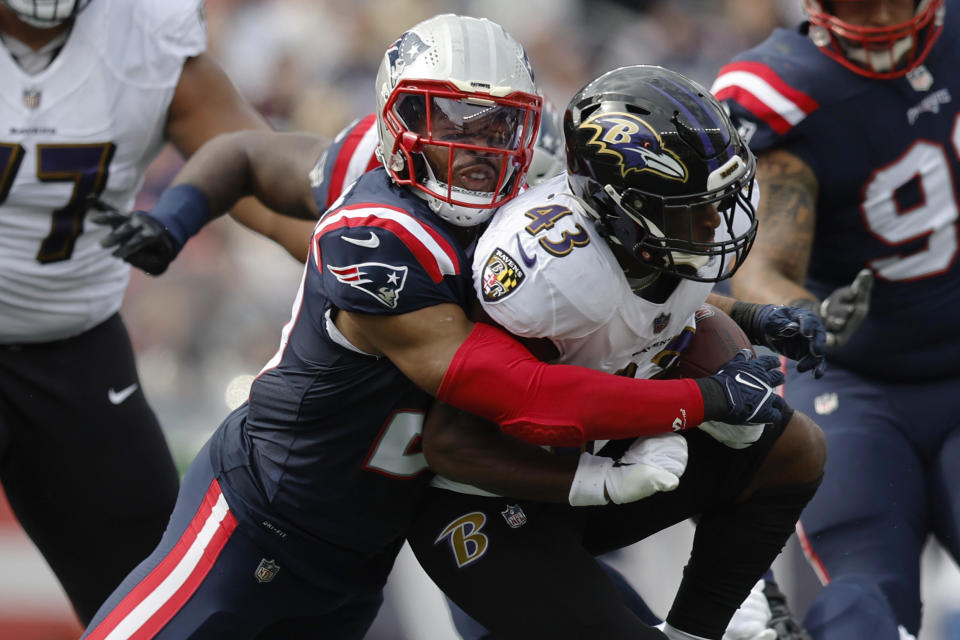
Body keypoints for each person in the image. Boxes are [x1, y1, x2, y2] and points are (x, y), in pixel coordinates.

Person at [81, 15, 795, 639]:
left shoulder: (546, 199)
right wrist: (170, 222)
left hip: (373, 542)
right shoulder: (378, 231)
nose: (478, 148)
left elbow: (637, 302)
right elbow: (503, 385)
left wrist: (751, 316)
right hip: (264, 510)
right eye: (449, 120)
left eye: (499, 124)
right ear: (397, 121)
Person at [404, 64, 828, 640]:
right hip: (489, 502)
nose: (712, 220)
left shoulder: (664, 236)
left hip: (601, 455)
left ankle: (698, 629)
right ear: (616, 207)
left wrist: (756, 319)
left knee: (791, 445)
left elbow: (655, 313)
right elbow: (453, 444)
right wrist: (611, 474)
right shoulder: (551, 273)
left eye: (716, 199)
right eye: (688, 205)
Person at [0, 0, 315, 625]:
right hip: (74, 342)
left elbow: (265, 184)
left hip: (73, 351)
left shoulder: (146, 36)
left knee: (161, 602)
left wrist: (389, 253)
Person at [711, 1, 956, 639]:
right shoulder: (785, 88)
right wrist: (807, 315)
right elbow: (761, 266)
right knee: (866, 601)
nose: (876, 14)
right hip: (853, 387)